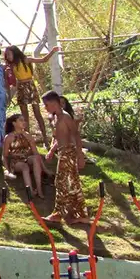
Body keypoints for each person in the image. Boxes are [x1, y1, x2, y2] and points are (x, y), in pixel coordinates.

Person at [42, 91, 90, 225]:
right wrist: (52, 151)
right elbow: (60, 137)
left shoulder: (66, 117)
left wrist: (80, 156)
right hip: (62, 152)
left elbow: (75, 135)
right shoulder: (56, 117)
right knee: (73, 183)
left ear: (53, 103)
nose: (45, 108)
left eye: (46, 105)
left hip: (69, 152)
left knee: (61, 182)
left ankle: (58, 213)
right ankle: (81, 214)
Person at [3, 45, 55, 146]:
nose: (8, 56)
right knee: (24, 116)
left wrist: (52, 51)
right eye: (6, 55)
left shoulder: (26, 60)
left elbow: (44, 59)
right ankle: (28, 140)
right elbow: (9, 81)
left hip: (30, 87)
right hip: (21, 88)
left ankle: (45, 139)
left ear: (15, 53)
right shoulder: (11, 66)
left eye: (9, 54)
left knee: (37, 113)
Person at [2, 113, 48, 198]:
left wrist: (45, 169)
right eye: (21, 120)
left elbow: (36, 153)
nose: (24, 122)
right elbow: (4, 156)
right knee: (24, 167)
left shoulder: (27, 135)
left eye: (24, 120)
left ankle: (39, 189)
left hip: (26, 158)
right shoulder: (9, 137)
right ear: (14, 123)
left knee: (36, 158)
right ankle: (30, 192)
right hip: (16, 162)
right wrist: (7, 170)